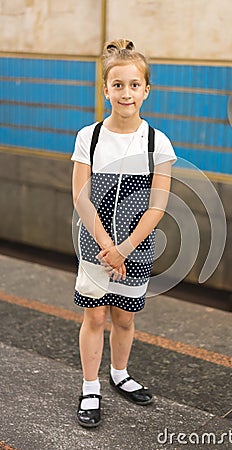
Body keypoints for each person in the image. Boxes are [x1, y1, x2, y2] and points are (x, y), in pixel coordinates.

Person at [71, 38, 177, 428]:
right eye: (118, 85)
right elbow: (81, 196)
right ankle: (90, 386)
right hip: (95, 246)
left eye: (134, 85)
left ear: (146, 91)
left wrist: (126, 249)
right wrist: (107, 246)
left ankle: (119, 374)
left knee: (125, 318)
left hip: (137, 247)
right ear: (105, 90)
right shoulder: (90, 136)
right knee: (94, 316)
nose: (126, 93)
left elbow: (158, 206)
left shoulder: (157, 142)